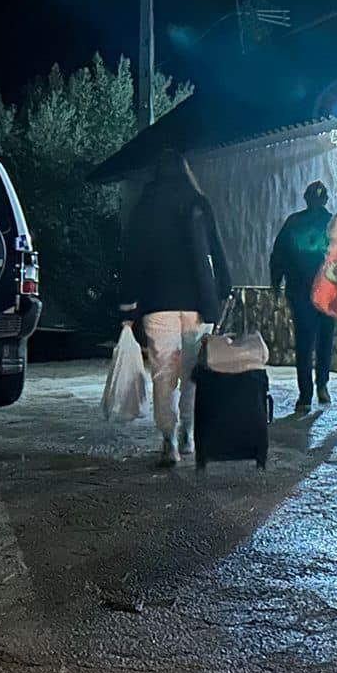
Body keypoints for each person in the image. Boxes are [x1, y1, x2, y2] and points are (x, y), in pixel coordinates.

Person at [118, 148, 232, 467]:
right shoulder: (199, 202)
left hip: (158, 304)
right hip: (198, 303)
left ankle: (168, 440)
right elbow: (217, 250)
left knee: (164, 374)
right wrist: (225, 287)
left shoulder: (145, 207)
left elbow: (133, 261)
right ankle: (188, 433)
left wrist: (127, 308)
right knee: (193, 373)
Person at [269, 180, 337, 413]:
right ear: (325, 199)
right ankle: (320, 387)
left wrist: (276, 284)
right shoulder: (333, 224)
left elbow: (278, 256)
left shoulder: (294, 223)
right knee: (323, 341)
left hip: (303, 293)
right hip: (324, 294)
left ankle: (307, 393)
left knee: (306, 343)